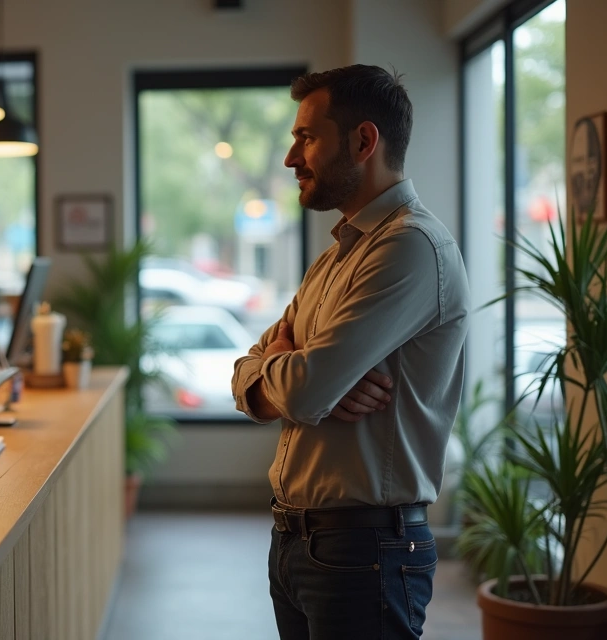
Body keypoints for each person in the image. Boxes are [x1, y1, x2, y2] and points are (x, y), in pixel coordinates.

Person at [229, 65, 471, 639]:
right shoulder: (337, 254)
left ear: (364, 141)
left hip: (366, 548)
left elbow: (308, 388)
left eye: (307, 137)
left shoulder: (409, 247)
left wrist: (303, 380)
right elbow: (249, 368)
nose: (292, 158)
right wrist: (293, 378)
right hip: (298, 541)